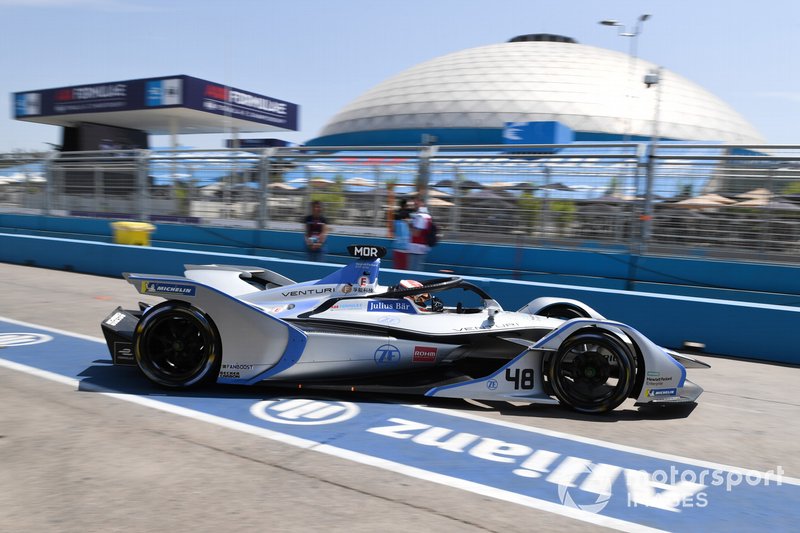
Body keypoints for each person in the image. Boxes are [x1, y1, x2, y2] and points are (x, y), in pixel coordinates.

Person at [407, 196, 432, 271]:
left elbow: (416, 233)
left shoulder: (420, 216)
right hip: (422, 246)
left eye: (416, 204)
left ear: (422, 203)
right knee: (417, 268)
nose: (414, 205)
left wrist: (409, 225)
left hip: (417, 247)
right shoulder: (427, 216)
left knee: (414, 270)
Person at [392, 201, 411, 269]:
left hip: (397, 246)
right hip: (405, 247)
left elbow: (393, 230)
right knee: (404, 268)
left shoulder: (396, 218)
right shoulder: (408, 219)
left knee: (397, 267)